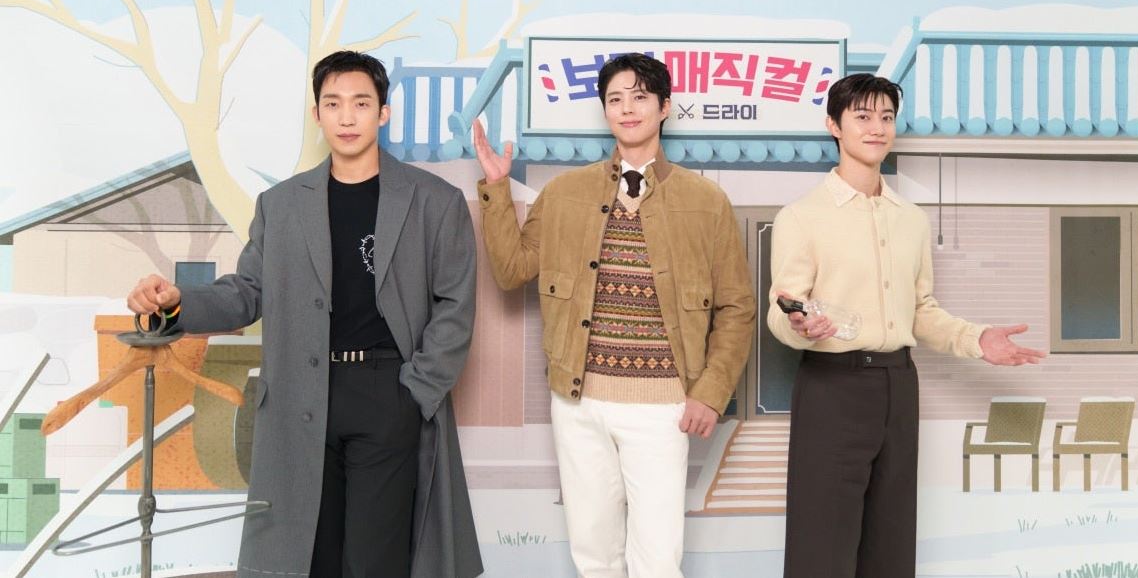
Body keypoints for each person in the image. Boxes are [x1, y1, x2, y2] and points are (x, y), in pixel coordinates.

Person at [126, 51, 482, 578]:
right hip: (300, 396)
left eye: (361, 103)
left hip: (390, 392)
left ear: (383, 113)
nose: (346, 116)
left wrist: (416, 392)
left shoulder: (434, 201)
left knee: (376, 562)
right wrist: (177, 301)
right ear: (316, 114)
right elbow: (247, 293)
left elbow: (455, 304)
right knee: (311, 558)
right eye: (332, 104)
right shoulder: (282, 204)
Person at [472, 52, 755, 578]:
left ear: (665, 107)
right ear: (605, 110)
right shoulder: (564, 194)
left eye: (640, 97)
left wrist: (710, 392)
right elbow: (511, 271)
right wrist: (496, 189)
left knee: (657, 559)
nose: (627, 109)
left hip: (664, 407)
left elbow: (737, 307)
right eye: (615, 99)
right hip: (579, 402)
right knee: (594, 555)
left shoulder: (705, 201)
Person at [767, 72, 1044, 578]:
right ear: (833, 126)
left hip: (898, 383)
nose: (877, 128)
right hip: (833, 386)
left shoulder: (910, 219)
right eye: (862, 116)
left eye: (886, 117)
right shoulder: (802, 217)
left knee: (891, 544)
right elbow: (782, 306)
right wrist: (799, 325)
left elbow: (920, 309)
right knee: (821, 545)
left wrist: (975, 339)